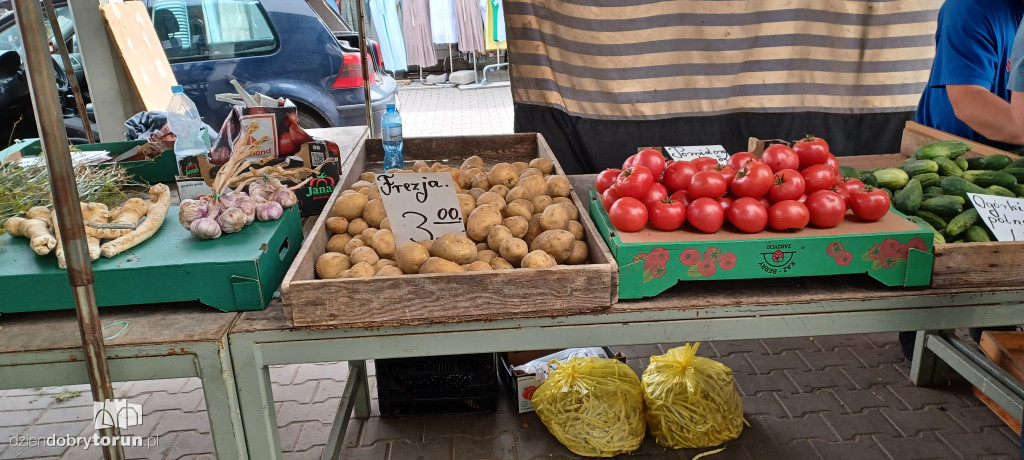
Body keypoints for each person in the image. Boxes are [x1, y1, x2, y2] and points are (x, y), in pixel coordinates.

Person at [902, 0, 1024, 361]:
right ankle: (921, 340)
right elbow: (969, 102)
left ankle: (993, 332)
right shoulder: (970, 7)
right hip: (957, 158)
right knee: (943, 258)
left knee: (997, 264)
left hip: (1009, 161)